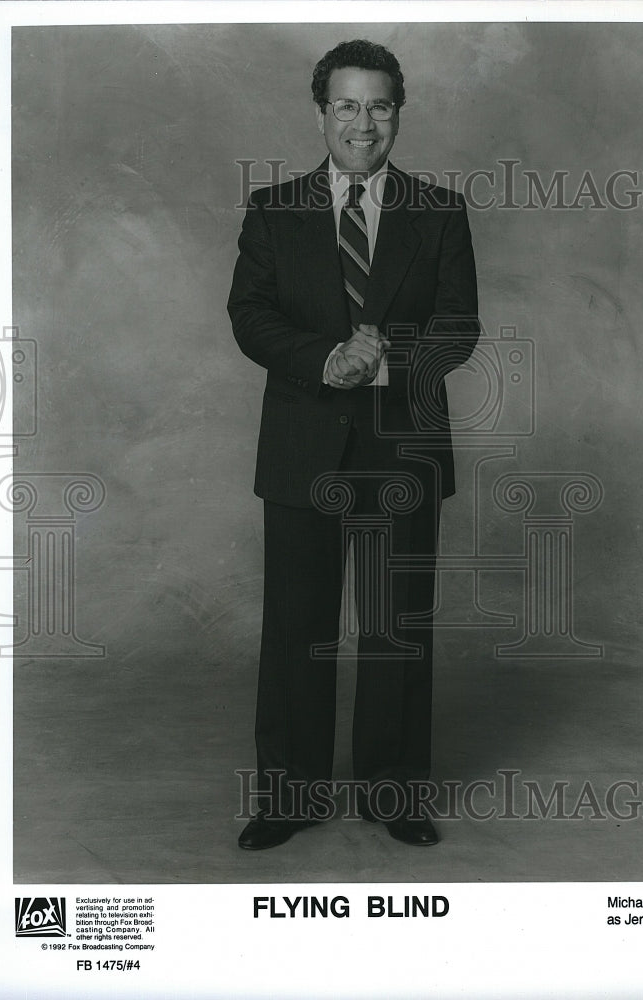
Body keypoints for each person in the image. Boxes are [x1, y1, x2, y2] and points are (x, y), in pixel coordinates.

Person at [227, 39, 479, 850]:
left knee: (393, 626)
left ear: (396, 113)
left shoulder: (439, 211)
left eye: (379, 106)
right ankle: (289, 795)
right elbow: (251, 315)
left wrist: (385, 361)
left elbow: (459, 328)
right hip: (302, 446)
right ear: (321, 111)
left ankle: (392, 791)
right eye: (346, 105)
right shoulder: (274, 209)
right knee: (297, 626)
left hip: (401, 450)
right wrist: (326, 360)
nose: (362, 123)